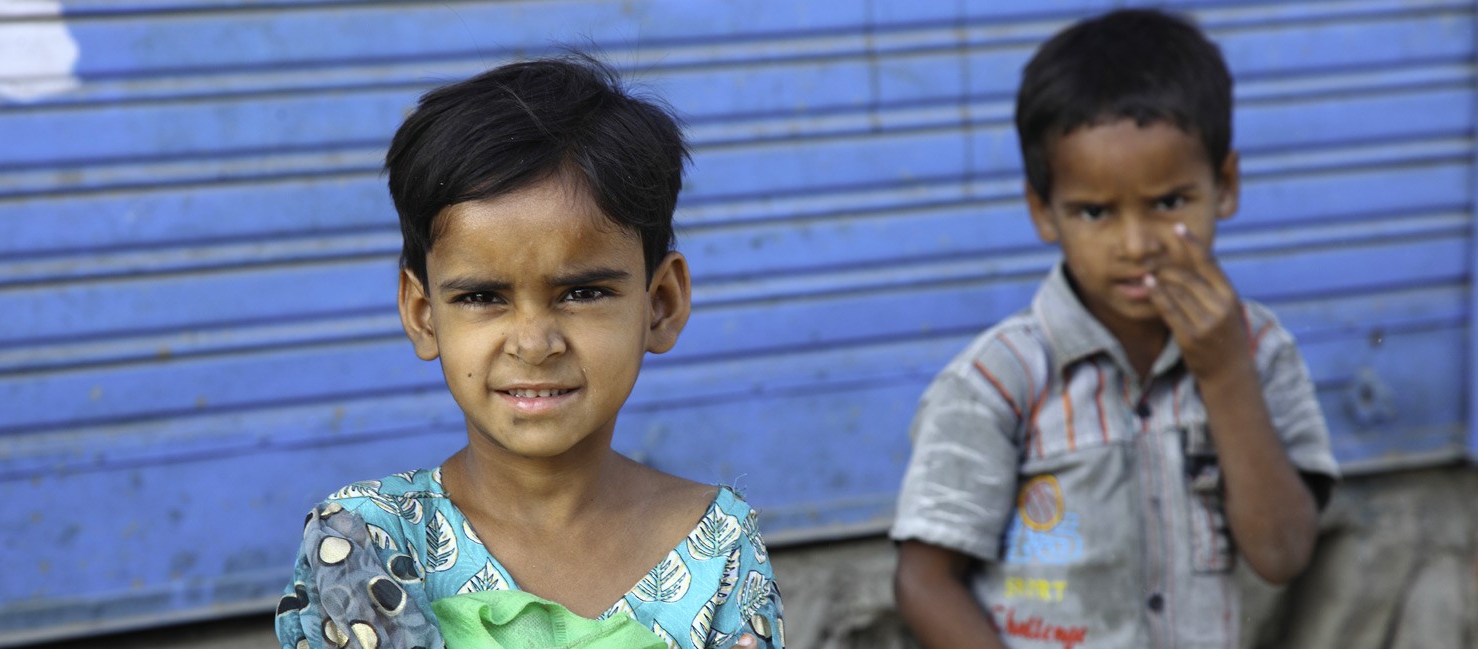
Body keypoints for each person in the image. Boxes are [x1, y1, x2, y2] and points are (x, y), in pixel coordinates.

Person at [274, 54, 785, 649]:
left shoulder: (717, 544)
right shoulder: (364, 539)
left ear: (662, 303)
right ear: (422, 314)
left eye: (583, 292)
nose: (534, 343)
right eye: (483, 296)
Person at [889, 9, 1339, 648]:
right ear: (1043, 212)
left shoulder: (1259, 353)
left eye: (1169, 202)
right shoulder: (999, 380)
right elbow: (924, 582)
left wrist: (1225, 372)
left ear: (1227, 186)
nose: (1136, 244)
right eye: (1095, 211)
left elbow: (1283, 555)